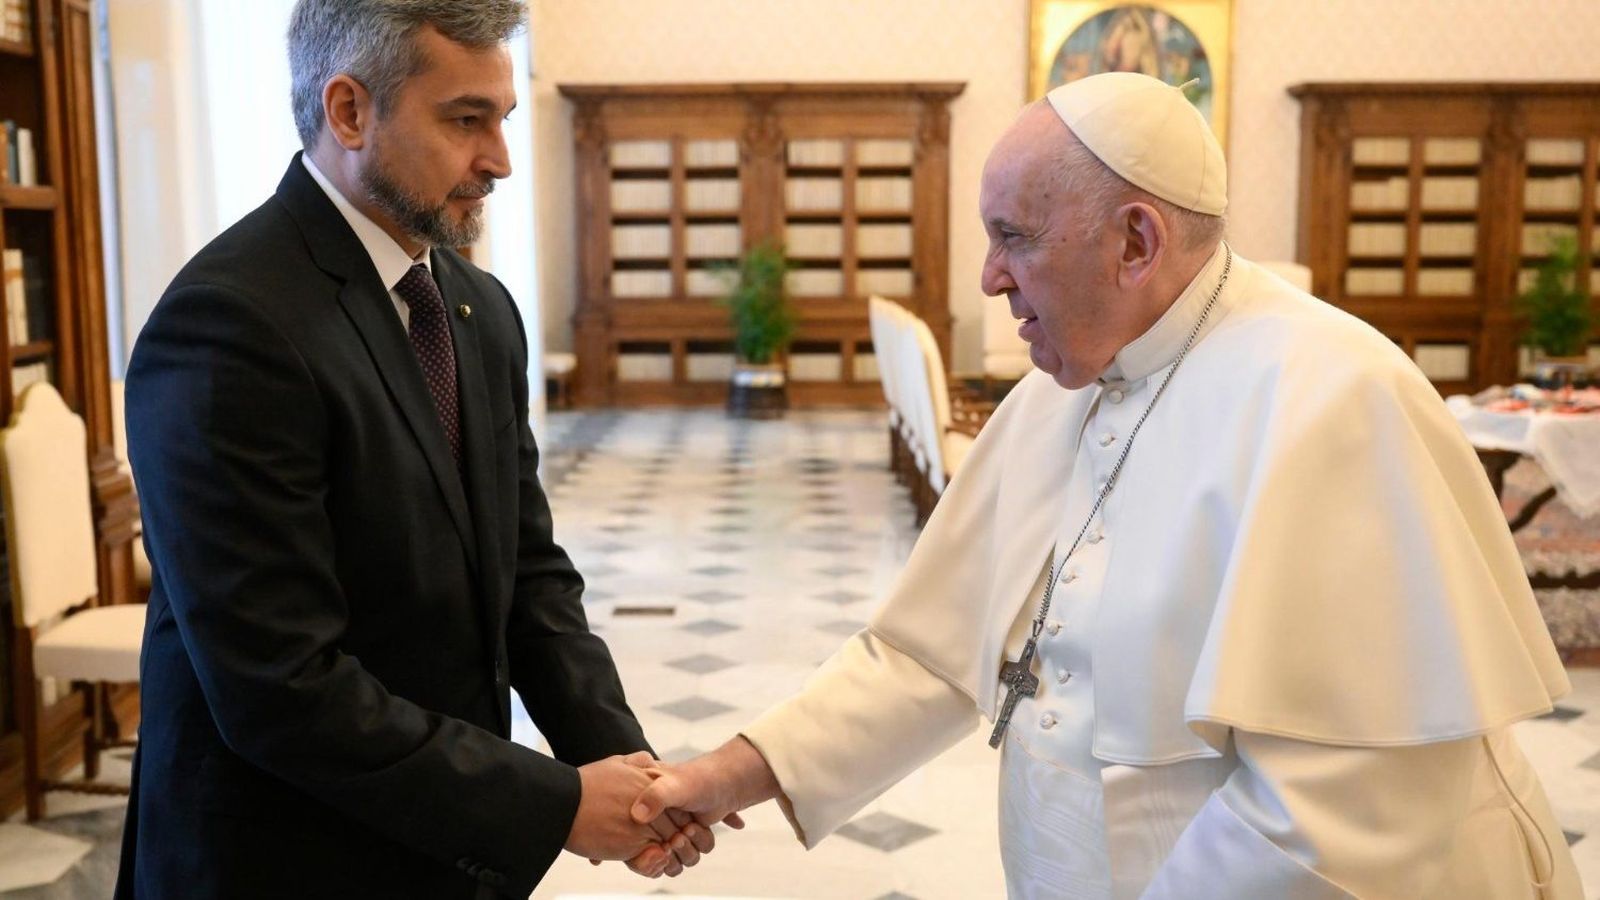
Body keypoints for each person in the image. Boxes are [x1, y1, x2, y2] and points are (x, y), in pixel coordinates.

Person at [631, 73, 1582, 898]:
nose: (989, 278)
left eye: (1014, 237)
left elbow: (1339, 805)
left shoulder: (1337, 398)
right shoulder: (1068, 383)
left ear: (1136, 241)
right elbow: (930, 650)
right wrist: (731, 773)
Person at [115, 2, 715, 896]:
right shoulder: (230, 323)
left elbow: (528, 574)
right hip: (285, 861)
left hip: (444, 846)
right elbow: (280, 687)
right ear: (350, 111)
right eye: (465, 119)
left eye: (501, 118)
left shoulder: (479, 307)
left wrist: (628, 770)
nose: (500, 159)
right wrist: (555, 805)